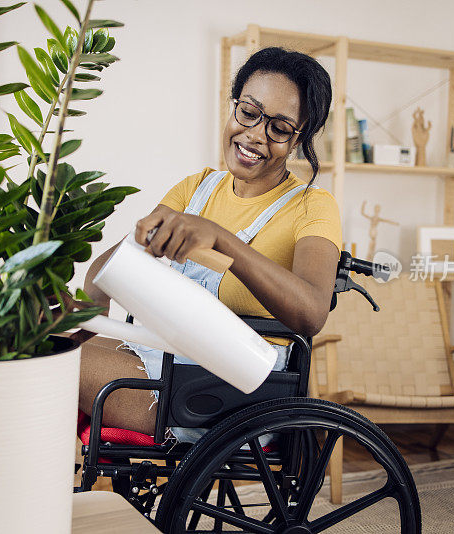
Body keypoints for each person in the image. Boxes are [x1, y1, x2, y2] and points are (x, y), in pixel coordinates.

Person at [78, 47, 341, 441]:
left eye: (280, 128)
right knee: (40, 341)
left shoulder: (313, 207)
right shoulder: (196, 189)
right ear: (234, 106)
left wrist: (222, 240)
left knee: (43, 364)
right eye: (249, 113)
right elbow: (118, 264)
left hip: (231, 389)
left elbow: (312, 313)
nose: (255, 135)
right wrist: (90, 305)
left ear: (299, 139)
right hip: (164, 357)